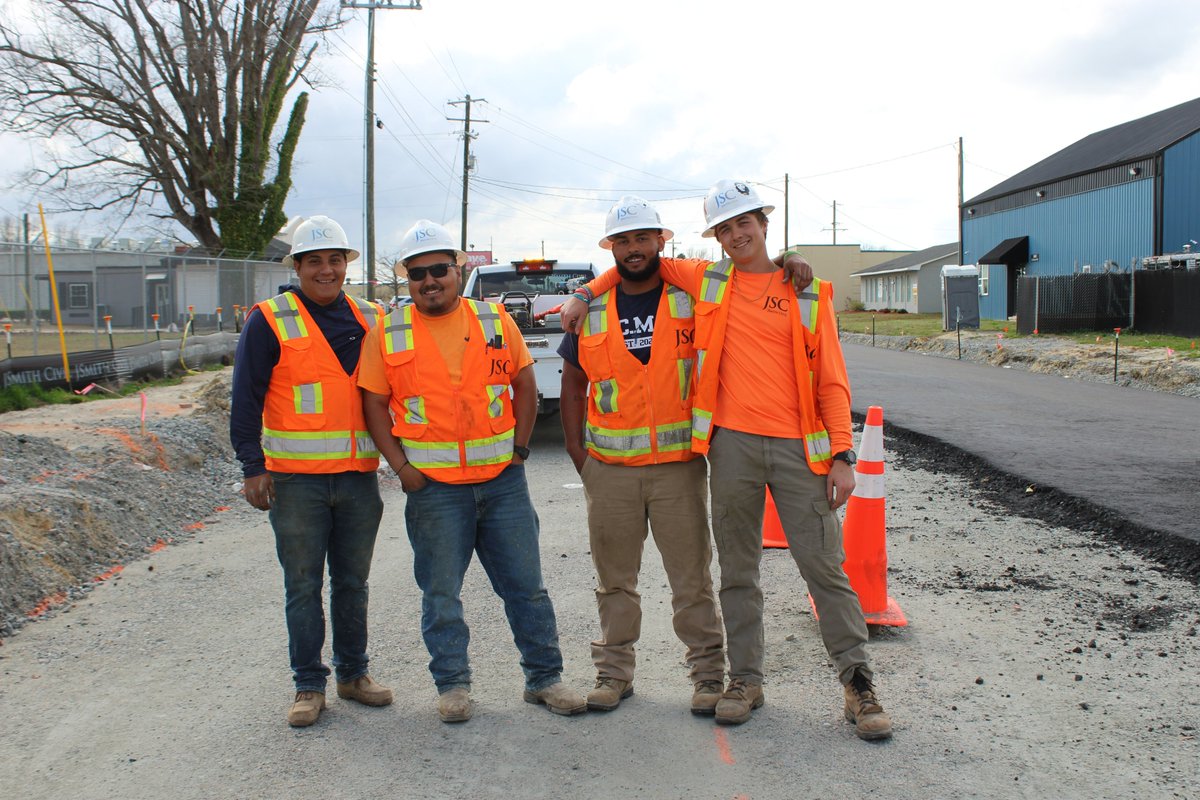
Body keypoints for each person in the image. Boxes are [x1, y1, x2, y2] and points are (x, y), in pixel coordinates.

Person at [561, 180, 892, 740]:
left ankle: (859, 686)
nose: (737, 235)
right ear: (714, 237)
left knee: (824, 570)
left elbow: (834, 383)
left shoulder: (808, 293)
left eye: (746, 223)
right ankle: (745, 681)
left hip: (798, 450)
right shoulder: (707, 281)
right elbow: (634, 262)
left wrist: (842, 454)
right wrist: (585, 291)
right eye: (725, 228)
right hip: (731, 446)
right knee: (738, 574)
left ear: (764, 224)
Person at [359, 219, 586, 723]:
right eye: (417, 274)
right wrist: (399, 466)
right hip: (435, 490)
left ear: (457, 269)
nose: (429, 281)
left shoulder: (492, 320)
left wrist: (521, 449)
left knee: (526, 587)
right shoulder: (388, 331)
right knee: (441, 593)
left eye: (438, 269)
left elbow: (526, 384)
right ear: (408, 280)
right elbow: (374, 403)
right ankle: (453, 686)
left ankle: (545, 678)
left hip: (502, 483)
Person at [558, 197, 726, 714]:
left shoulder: (690, 298)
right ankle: (613, 675)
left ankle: (708, 676)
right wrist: (579, 456)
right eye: (623, 241)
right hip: (610, 473)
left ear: (661, 241)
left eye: (643, 238)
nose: (634, 249)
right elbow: (572, 386)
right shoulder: (592, 312)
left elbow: (745, 274)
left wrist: (789, 263)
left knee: (692, 580)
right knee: (615, 582)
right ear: (612, 248)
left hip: (677, 469)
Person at [230, 215, 392, 727]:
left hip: (357, 478)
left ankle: (353, 674)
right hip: (295, 482)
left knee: (353, 581)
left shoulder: (372, 317)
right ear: (297, 267)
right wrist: (252, 466)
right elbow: (245, 398)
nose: (326, 270)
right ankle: (307, 684)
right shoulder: (269, 319)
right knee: (302, 584)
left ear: (347, 265)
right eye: (315, 261)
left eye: (335, 260)